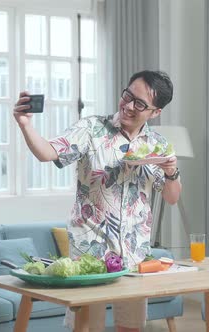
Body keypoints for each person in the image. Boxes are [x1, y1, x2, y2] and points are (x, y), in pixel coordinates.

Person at [13, 70, 182, 332]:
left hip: (135, 256)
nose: (128, 106)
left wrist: (172, 171)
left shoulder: (158, 145)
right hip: (90, 252)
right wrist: (26, 125)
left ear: (155, 112)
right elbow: (48, 153)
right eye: (127, 96)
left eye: (139, 104)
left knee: (131, 327)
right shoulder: (91, 129)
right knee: (86, 328)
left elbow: (171, 197)